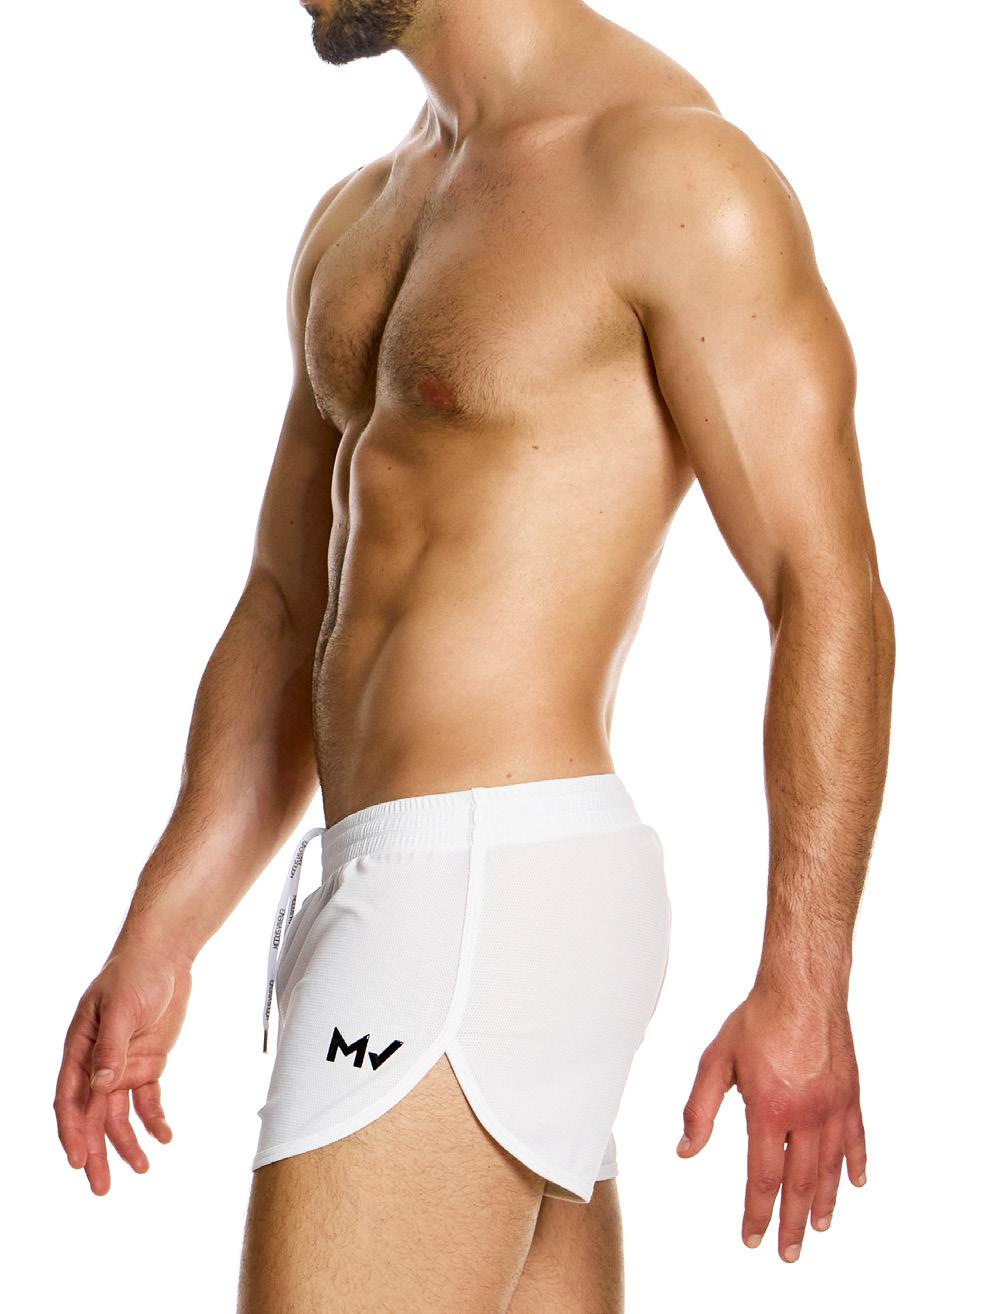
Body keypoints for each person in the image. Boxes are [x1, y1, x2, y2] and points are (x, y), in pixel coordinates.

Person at [54, 1, 895, 1308]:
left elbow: (824, 587)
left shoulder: (671, 176)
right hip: (409, 883)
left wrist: (806, 979)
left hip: (484, 883)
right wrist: (164, 926)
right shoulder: (361, 212)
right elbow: (286, 598)